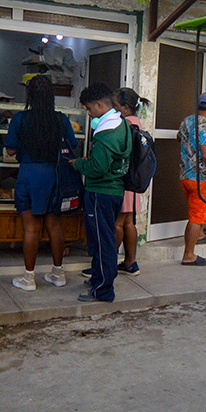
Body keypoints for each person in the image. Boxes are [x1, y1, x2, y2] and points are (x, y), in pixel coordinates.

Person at [3, 75, 77, 291]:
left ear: (30, 95)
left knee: (31, 229)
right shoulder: (61, 119)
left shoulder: (20, 119)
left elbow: (10, 149)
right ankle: (58, 274)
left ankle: (29, 278)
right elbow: (71, 145)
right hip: (54, 175)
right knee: (54, 226)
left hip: (29, 175)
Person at [72, 83, 132, 302]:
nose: (89, 114)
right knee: (102, 239)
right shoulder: (120, 123)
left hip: (101, 192)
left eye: (89, 109)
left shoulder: (107, 132)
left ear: (99, 104)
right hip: (112, 191)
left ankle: (103, 289)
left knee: (102, 241)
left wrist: (78, 164)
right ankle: (98, 278)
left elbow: (98, 168)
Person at [178, 92, 206, 266]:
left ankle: (201, 235)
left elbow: (178, 138)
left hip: (184, 176)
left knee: (197, 213)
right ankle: (189, 255)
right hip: (200, 180)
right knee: (196, 217)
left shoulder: (187, 121)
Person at [113, 87, 149, 276]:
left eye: (115, 106)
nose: (113, 109)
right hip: (134, 181)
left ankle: (108, 263)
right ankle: (130, 262)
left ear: (125, 108)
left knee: (117, 223)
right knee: (129, 222)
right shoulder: (137, 123)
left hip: (123, 180)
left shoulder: (124, 125)